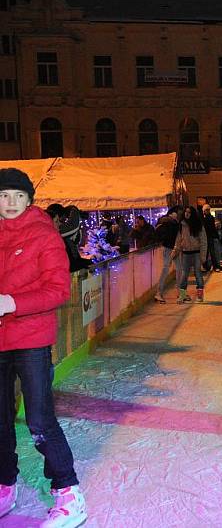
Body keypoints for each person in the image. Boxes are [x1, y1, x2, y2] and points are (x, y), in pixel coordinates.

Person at [0, 168, 88, 527]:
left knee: (38, 420)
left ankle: (68, 492)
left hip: (32, 340)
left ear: (30, 200)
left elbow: (58, 290)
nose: (10, 203)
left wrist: (11, 302)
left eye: (18, 196)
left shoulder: (44, 236)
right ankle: (5, 483)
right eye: (4, 196)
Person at [173, 206, 207, 303]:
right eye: (186, 212)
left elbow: (203, 241)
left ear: (193, 214)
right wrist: (175, 251)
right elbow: (178, 240)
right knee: (184, 275)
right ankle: (182, 295)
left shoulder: (198, 225)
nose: (187, 214)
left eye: (189, 212)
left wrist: (203, 256)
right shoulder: (181, 225)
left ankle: (200, 295)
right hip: (185, 253)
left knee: (198, 274)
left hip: (196, 253)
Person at [154, 206, 183, 303]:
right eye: (179, 212)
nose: (180, 214)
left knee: (175, 269)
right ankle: (159, 293)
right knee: (170, 269)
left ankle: (178, 292)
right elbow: (172, 236)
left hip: (171, 248)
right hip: (169, 248)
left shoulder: (167, 221)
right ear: (174, 213)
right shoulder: (170, 222)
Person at [201, 204, 222, 272]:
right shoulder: (204, 218)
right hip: (206, 237)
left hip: (210, 237)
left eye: (208, 210)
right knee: (206, 253)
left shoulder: (210, 218)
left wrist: (216, 236)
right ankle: (207, 266)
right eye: (206, 210)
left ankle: (214, 266)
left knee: (212, 252)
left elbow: (213, 228)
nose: (208, 211)